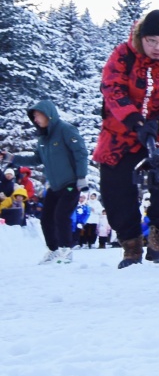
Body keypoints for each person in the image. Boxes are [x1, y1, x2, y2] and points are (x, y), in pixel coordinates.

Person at [93, 8, 159, 269]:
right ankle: (130, 245)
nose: (158, 48)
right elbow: (112, 89)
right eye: (152, 41)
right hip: (120, 129)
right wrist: (135, 121)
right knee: (115, 188)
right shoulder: (122, 55)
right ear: (141, 38)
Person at [7, 99, 89, 263]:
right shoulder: (43, 139)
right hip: (55, 185)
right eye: (34, 117)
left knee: (61, 215)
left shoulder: (66, 130)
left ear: (48, 115)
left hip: (71, 183)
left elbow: (80, 152)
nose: (35, 119)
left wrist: (81, 177)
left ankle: (66, 250)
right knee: (46, 218)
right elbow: (36, 159)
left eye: (38, 116)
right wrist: (13, 158)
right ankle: (53, 250)